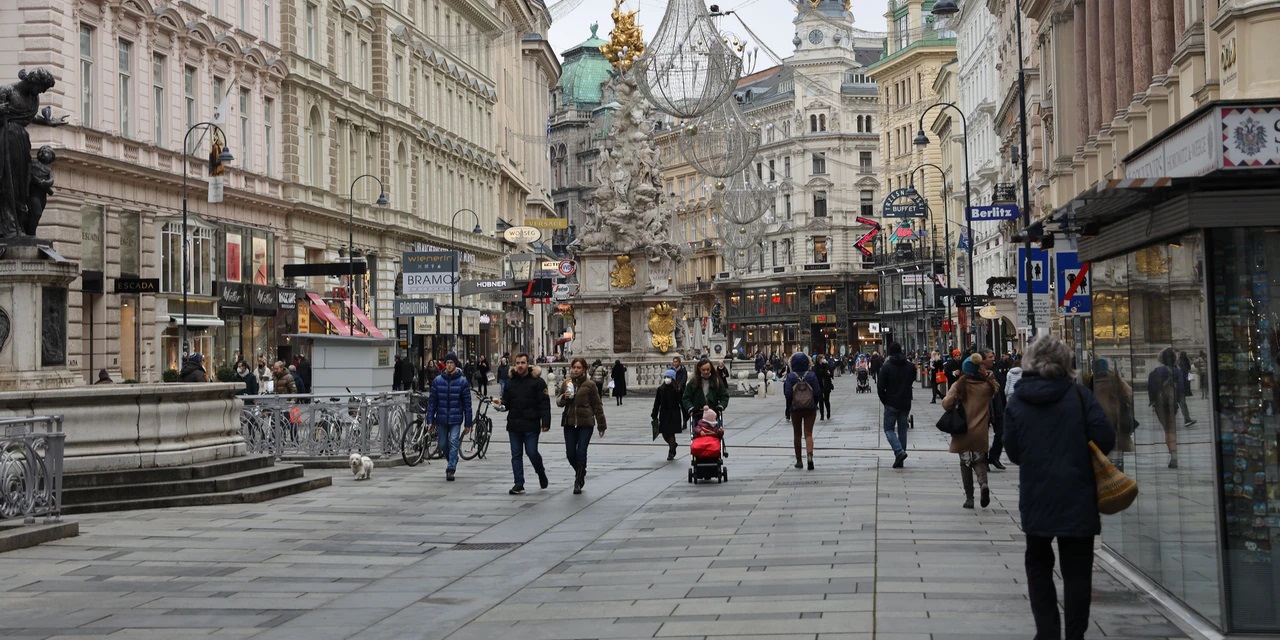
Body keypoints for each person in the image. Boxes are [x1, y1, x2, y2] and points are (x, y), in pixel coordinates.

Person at [1004, 335, 1115, 640]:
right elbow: (1105, 439)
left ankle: (1048, 632)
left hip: (1037, 495)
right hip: (1078, 494)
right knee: (1077, 571)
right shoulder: (1080, 396)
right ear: (1066, 363)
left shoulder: (1017, 401)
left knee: (1038, 566)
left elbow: (1012, 452)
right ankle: (1075, 634)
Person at [942, 353, 1000, 509]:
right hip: (980, 430)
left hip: (963, 429)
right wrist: (987, 375)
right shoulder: (986, 386)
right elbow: (996, 387)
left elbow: (946, 404)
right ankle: (983, 484)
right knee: (979, 460)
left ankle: (969, 498)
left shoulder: (960, 385)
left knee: (965, 462)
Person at [497, 353, 550, 495]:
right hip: (514, 424)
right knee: (516, 455)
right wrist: (501, 406)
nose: (520, 366)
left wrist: (546, 422)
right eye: (518, 363)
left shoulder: (538, 382)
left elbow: (544, 403)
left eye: (523, 363)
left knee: (532, 452)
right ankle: (518, 483)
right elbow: (506, 401)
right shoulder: (510, 382)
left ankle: (541, 472)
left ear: (529, 364)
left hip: (531, 423)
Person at [557, 357, 606, 494]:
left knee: (581, 452)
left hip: (586, 423)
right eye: (574, 367)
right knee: (570, 453)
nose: (576, 370)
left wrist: (601, 425)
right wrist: (564, 398)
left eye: (579, 368)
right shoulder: (566, 383)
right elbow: (558, 402)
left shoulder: (590, 385)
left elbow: (597, 405)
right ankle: (581, 471)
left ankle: (578, 481)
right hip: (570, 423)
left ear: (584, 369)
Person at [427, 352, 473, 482]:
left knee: (453, 441)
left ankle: (451, 468)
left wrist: (468, 423)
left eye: (451, 363)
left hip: (456, 418)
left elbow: (467, 404)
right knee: (442, 444)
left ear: (455, 364)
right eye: (447, 363)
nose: (449, 365)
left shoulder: (462, 382)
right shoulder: (437, 381)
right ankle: (453, 458)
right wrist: (430, 420)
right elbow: (432, 403)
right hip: (441, 418)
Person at [876, 342, 914, 468]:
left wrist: (885, 400)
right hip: (905, 402)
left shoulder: (886, 367)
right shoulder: (910, 366)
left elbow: (880, 387)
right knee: (903, 429)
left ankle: (899, 452)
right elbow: (911, 380)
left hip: (891, 402)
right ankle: (900, 457)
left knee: (888, 429)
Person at [1093, 357, 1135, 471]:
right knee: (1117, 458)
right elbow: (1129, 394)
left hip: (1099, 424)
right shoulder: (1114, 381)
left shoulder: (1091, 382)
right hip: (1116, 423)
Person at [1148, 347, 1184, 468]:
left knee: (1167, 429)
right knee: (1171, 429)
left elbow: (1152, 388)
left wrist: (1152, 401)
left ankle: (1172, 453)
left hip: (1159, 404)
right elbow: (1181, 389)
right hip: (1172, 403)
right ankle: (1173, 454)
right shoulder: (1177, 372)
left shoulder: (1156, 371)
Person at [783, 352, 820, 471]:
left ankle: (799, 460)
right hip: (810, 408)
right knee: (808, 433)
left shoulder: (790, 377)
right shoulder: (812, 375)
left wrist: (790, 405)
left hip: (795, 409)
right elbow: (818, 392)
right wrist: (814, 403)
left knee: (797, 434)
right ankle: (810, 456)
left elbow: (788, 394)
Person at [682, 358, 730, 428]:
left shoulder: (716, 381)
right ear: (699, 369)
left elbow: (724, 396)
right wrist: (690, 407)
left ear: (711, 368)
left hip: (713, 413)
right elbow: (686, 397)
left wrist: (721, 406)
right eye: (703, 370)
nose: (706, 372)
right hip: (698, 413)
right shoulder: (693, 382)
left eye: (708, 369)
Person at [982, 349, 1008, 471]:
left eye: (993, 356)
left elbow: (1001, 387)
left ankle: (994, 456)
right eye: (990, 357)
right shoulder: (977, 372)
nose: (993, 359)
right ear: (982, 360)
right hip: (984, 407)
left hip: (997, 406)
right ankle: (983, 460)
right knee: (982, 436)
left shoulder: (995, 369)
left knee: (1002, 432)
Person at [652, 368, 685, 460]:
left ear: (673, 378)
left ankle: (671, 451)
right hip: (664, 413)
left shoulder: (677, 390)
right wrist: (654, 414)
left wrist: (686, 415)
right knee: (664, 433)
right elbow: (657, 403)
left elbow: (682, 403)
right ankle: (673, 445)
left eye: (669, 377)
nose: (667, 378)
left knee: (671, 433)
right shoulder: (660, 389)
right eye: (665, 377)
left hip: (674, 413)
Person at [1175, 350, 1196, 426]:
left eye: (1178, 354)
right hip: (1175, 389)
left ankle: (1187, 419)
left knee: (1183, 404)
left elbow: (1183, 376)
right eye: (1176, 354)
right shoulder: (1175, 365)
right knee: (1178, 405)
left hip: (1179, 388)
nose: (1178, 355)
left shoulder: (1180, 363)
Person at [812, 354, 834, 420]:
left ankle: (828, 413)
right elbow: (817, 374)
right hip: (819, 385)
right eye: (821, 358)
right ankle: (822, 415)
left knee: (827, 400)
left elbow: (831, 374)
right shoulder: (816, 367)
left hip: (827, 385)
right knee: (820, 401)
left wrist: (828, 370)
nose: (822, 360)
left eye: (823, 358)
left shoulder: (827, 365)